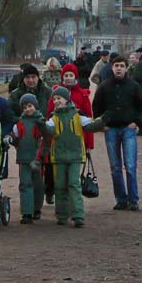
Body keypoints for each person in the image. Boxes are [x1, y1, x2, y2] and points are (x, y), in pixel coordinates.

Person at [41, 87, 103, 228]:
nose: (56, 101)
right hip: (59, 157)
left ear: (67, 99)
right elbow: (48, 130)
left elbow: (91, 126)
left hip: (75, 156)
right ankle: (62, 215)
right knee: (60, 185)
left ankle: (78, 215)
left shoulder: (78, 116)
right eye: (54, 99)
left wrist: (103, 120)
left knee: (74, 184)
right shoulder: (53, 118)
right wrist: (40, 123)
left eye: (59, 98)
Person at [92, 56, 142, 211]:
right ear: (112, 67)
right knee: (115, 167)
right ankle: (121, 199)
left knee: (130, 166)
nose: (119, 68)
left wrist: (137, 122)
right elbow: (96, 106)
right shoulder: (104, 86)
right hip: (111, 130)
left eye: (122, 66)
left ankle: (133, 199)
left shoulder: (133, 86)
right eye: (116, 65)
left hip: (128, 129)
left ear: (126, 68)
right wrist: (101, 124)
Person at [11, 93, 45, 224]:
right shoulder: (20, 123)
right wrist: (11, 139)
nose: (27, 109)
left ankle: (37, 208)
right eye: (24, 107)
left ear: (35, 106)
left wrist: (40, 156)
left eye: (30, 106)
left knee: (38, 185)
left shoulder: (41, 122)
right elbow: (15, 137)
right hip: (23, 158)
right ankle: (26, 212)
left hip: (37, 159)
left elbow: (43, 140)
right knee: (25, 184)